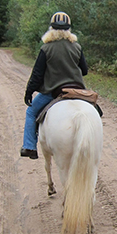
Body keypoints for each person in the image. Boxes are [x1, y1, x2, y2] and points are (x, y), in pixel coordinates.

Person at [20, 12, 88, 159]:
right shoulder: (76, 47)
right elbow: (85, 70)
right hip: (77, 90)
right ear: (69, 29)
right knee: (94, 110)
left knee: (31, 113)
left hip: (53, 91)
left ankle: (29, 146)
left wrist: (29, 91)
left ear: (51, 28)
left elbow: (37, 74)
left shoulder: (46, 49)